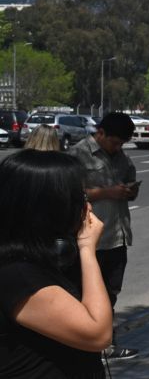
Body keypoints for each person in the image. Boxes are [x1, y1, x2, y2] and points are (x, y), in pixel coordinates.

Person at [0, 149, 113, 378]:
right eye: (80, 198)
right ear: (49, 208)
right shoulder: (19, 276)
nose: (87, 207)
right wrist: (87, 249)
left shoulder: (41, 259)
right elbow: (97, 334)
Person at [67, 112, 139, 361]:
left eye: (121, 144)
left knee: (110, 292)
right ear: (101, 133)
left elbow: (129, 178)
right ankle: (84, 344)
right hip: (90, 240)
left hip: (117, 237)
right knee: (83, 292)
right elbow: (70, 194)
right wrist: (106, 192)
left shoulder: (121, 158)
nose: (117, 147)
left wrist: (129, 191)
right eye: (115, 142)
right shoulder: (78, 155)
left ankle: (104, 342)